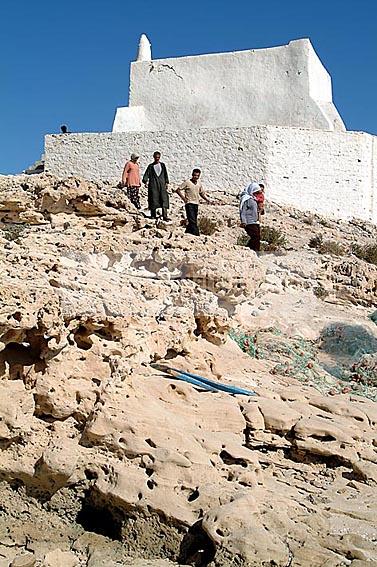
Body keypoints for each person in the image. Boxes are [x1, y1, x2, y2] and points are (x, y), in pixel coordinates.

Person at [175, 169, 213, 235]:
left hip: (196, 204)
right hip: (189, 203)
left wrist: (207, 200)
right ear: (192, 175)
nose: (196, 177)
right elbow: (178, 190)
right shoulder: (187, 182)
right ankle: (196, 234)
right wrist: (184, 198)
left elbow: (201, 193)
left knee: (193, 220)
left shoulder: (199, 184)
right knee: (192, 221)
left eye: (197, 176)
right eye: (194, 175)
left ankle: (187, 232)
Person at [142, 151, 170, 221]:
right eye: (156, 157)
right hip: (153, 185)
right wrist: (145, 181)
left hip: (162, 185)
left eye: (158, 157)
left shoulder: (163, 165)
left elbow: (165, 174)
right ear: (154, 157)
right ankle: (153, 215)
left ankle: (165, 215)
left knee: (164, 199)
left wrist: (166, 182)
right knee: (153, 199)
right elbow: (146, 174)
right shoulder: (151, 166)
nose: (157, 159)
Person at [239, 181, 263, 252]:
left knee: (258, 237)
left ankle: (255, 251)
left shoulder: (254, 200)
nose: (257, 194)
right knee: (255, 237)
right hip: (249, 222)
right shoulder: (246, 200)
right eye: (256, 192)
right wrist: (243, 221)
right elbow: (243, 212)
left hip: (255, 221)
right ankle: (248, 249)